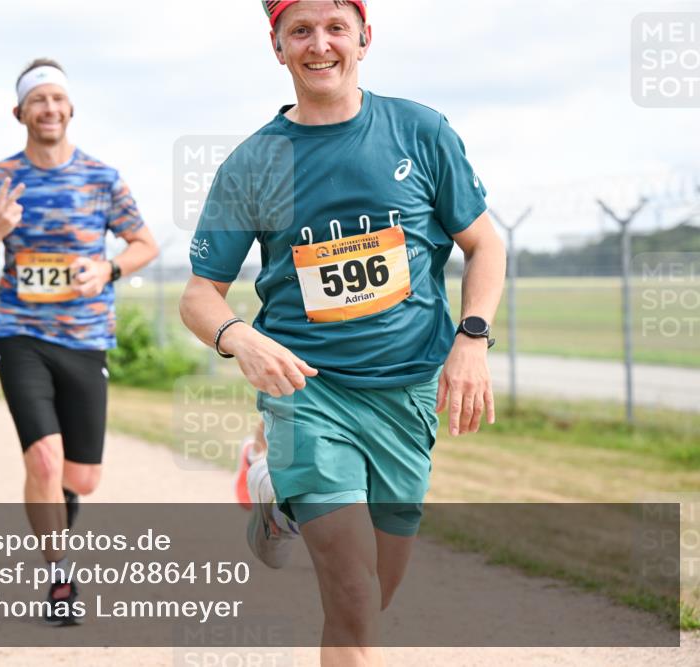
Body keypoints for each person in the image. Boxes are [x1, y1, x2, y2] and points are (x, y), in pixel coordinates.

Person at [179, 2, 506, 663]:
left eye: (335, 28)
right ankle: (286, 482)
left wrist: (471, 339)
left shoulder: (420, 132)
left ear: (365, 39)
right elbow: (198, 295)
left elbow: (484, 243)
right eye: (300, 30)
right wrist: (241, 336)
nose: (319, 44)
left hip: (407, 392)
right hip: (309, 393)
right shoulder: (254, 163)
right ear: (277, 47)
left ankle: (275, 499)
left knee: (372, 599)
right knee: (353, 595)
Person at [0, 57, 158, 625]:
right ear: (19, 112)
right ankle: (59, 575)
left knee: (81, 478)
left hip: (86, 336)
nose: (48, 109)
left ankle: (52, 517)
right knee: (45, 460)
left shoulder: (102, 177)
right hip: (20, 334)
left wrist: (109, 270)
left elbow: (143, 243)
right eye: (37, 100)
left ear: (70, 108)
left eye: (57, 99)